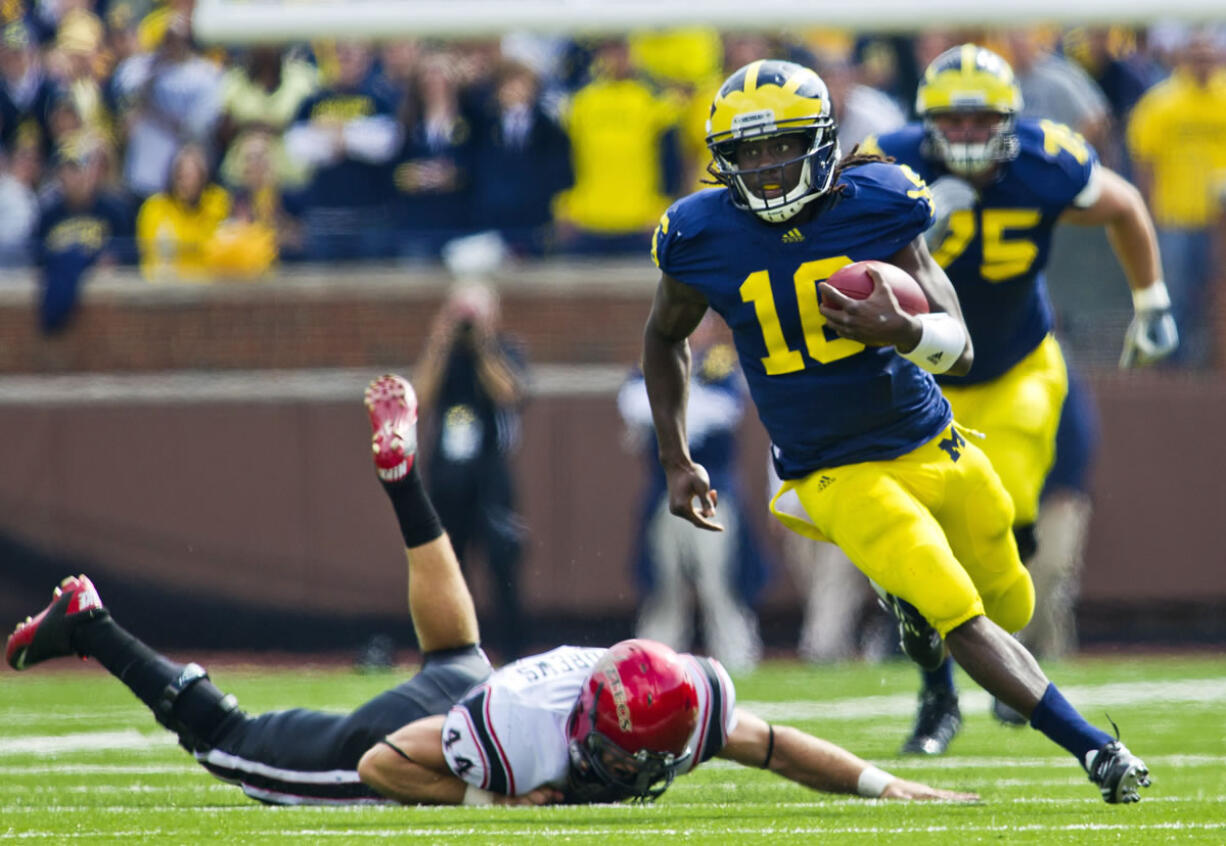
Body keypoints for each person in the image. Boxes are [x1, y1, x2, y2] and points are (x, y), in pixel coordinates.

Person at [5, 373, 976, 807]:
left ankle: (402, 480)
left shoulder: (686, 703)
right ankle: (92, 620)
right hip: (441, 724)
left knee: (453, 646)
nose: (628, 772)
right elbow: (390, 762)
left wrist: (882, 786)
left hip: (474, 677)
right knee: (243, 755)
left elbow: (772, 745)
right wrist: (490, 812)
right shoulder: (521, 738)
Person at [640, 57, 1150, 803]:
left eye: (783, 144)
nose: (769, 166)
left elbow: (961, 344)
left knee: (1012, 602)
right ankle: (1097, 750)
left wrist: (904, 328)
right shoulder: (698, 234)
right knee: (961, 610)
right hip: (832, 468)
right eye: (749, 152)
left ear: (820, 140)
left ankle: (916, 620)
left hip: (930, 438)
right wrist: (675, 457)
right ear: (725, 161)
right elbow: (664, 336)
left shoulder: (874, 198)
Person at [860, 43, 1177, 753]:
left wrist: (1151, 298)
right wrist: (898, 228)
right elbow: (831, 257)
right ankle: (937, 700)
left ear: (1011, 118)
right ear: (927, 120)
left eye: (982, 120)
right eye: (954, 121)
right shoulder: (888, 162)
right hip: (924, 379)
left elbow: (1124, 204)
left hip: (1017, 366)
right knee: (923, 543)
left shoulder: (1046, 158)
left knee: (1005, 524)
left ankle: (1011, 673)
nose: (968, 135)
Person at [618, 314, 766, 673]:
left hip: (712, 494)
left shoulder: (719, 363)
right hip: (663, 495)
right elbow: (632, 402)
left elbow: (722, 412)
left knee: (720, 583)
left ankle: (738, 658)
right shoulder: (652, 360)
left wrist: (671, 403)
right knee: (664, 587)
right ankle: (653, 664)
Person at [412, 283, 529, 659]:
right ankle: (451, 651)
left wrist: (482, 346)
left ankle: (511, 650)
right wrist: (440, 342)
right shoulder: (444, 357)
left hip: (490, 479)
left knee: (502, 565)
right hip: (447, 480)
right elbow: (420, 396)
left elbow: (509, 392)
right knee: (448, 569)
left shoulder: (505, 351)